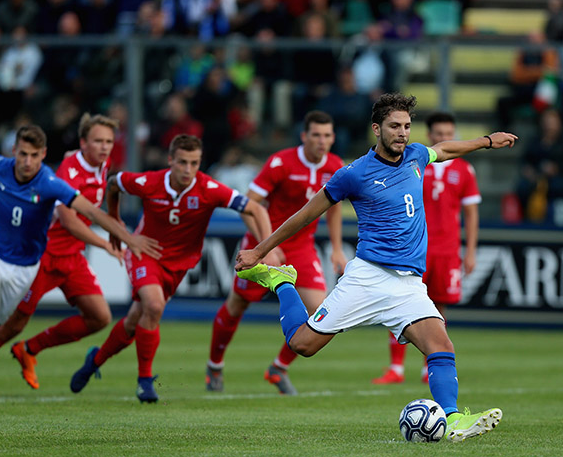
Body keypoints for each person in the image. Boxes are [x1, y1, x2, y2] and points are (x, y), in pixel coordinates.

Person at [235, 93, 517, 442]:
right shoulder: (353, 174)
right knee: (302, 345)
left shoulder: (416, 155)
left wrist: (487, 142)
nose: (402, 133)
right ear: (376, 129)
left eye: (407, 127)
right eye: (395, 126)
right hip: (368, 278)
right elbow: (307, 213)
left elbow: (445, 150)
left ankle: (454, 418)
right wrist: (261, 250)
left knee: (441, 347)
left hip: (408, 285)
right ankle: (281, 283)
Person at [0, 125, 155, 399]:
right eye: (98, 141)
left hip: (71, 257)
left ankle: (29, 349)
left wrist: (118, 227)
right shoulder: (60, 175)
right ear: (83, 143)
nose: (104, 147)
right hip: (45, 255)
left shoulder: (100, 165)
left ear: (42, 154)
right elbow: (70, 218)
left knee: (100, 316)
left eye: (109, 141)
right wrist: (109, 241)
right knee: (8, 322)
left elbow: (99, 203)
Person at [69, 134, 273, 403]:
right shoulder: (149, 182)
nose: (188, 170)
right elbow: (113, 184)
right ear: (170, 161)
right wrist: (116, 222)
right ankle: (144, 382)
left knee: (135, 320)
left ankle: (94, 360)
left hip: (179, 265)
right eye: (182, 163)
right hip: (146, 253)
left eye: (194, 163)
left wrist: (265, 251)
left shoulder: (210, 188)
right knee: (153, 306)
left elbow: (255, 210)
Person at [206, 111, 346, 395]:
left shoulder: (334, 166)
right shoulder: (281, 162)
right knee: (237, 306)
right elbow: (248, 205)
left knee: (322, 313)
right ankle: (215, 365)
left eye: (327, 135)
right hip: (263, 243)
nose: (322, 141)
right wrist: (265, 246)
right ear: (304, 136)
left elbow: (334, 206)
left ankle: (278, 368)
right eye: (316, 135)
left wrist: (336, 248)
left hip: (302, 248)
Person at [372, 111, 481, 385]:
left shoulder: (464, 170)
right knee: (398, 303)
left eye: (448, 134)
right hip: (412, 248)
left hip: (446, 250)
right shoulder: (415, 162)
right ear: (430, 136)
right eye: (439, 134)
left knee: (438, 307)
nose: (444, 138)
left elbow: (470, 213)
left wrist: (470, 251)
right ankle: (395, 367)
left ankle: (427, 367)